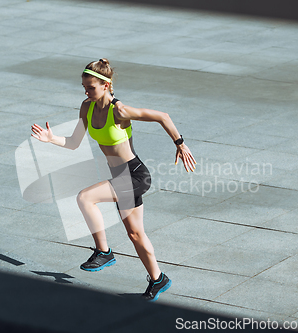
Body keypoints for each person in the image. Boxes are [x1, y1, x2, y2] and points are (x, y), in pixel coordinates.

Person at [31, 59, 196, 301]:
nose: (86, 92)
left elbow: (163, 116)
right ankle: (158, 279)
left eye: (91, 88)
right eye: (84, 87)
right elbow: (74, 143)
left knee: (85, 198)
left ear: (106, 85)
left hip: (135, 174)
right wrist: (51, 138)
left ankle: (104, 251)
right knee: (135, 234)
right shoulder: (86, 107)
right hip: (120, 177)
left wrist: (180, 144)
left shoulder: (119, 111)